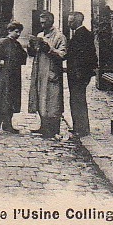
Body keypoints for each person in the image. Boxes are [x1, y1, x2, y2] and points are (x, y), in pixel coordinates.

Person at [27, 11, 67, 139]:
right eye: (41, 22)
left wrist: (49, 49)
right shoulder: (40, 35)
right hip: (40, 71)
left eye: (45, 22)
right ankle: (43, 126)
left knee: (52, 101)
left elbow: (62, 55)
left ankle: (54, 129)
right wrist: (31, 47)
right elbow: (34, 53)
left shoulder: (59, 37)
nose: (42, 25)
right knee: (40, 99)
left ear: (51, 21)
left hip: (51, 72)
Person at [0, 21, 28, 134]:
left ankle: (7, 125)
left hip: (14, 76)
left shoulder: (16, 44)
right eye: (16, 31)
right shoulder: (3, 42)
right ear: (10, 31)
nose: (18, 34)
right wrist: (0, 61)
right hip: (4, 77)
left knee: (11, 100)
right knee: (2, 100)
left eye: (20, 32)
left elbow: (23, 56)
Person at [65, 12, 97, 137]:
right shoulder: (81, 34)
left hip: (79, 73)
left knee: (78, 100)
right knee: (76, 99)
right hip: (77, 73)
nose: (69, 24)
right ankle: (78, 126)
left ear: (78, 21)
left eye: (71, 21)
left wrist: (81, 72)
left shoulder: (82, 35)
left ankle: (81, 128)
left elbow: (86, 57)